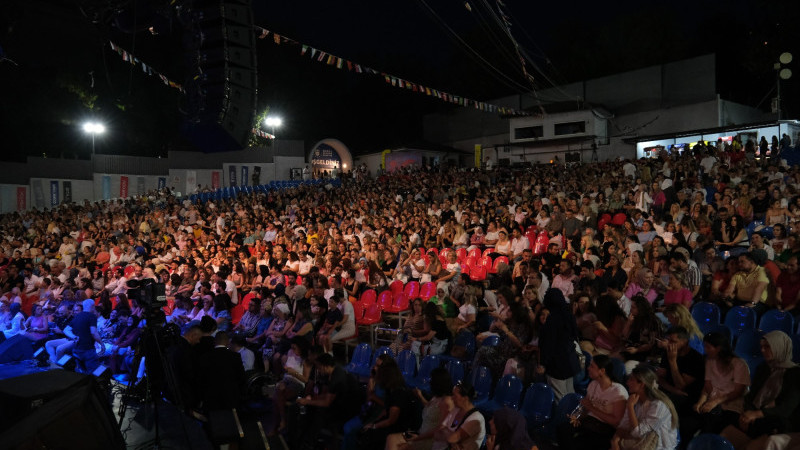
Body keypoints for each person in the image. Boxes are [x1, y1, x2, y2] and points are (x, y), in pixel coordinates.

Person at [721, 331, 800, 450]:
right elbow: (752, 395)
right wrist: (746, 414)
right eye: (762, 347)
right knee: (723, 422)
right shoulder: (763, 368)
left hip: (779, 421)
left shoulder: (796, 374)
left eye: (767, 347)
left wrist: (756, 414)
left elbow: (786, 408)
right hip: (758, 417)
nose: (762, 350)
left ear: (779, 347)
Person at [557, 354, 628, 450]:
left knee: (580, 443)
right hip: (589, 422)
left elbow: (616, 422)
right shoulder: (593, 384)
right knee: (563, 429)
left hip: (605, 429)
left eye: (592, 366)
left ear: (602, 371)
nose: (588, 368)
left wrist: (591, 408)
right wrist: (578, 417)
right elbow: (586, 408)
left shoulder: (618, 391)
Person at [611, 366, 679, 450]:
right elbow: (624, 424)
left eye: (631, 379)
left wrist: (630, 407)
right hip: (639, 441)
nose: (627, 382)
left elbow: (638, 433)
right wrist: (615, 440)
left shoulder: (658, 406)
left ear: (642, 384)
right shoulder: (635, 400)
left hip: (658, 446)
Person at [386, 367, 453, 450]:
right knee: (391, 438)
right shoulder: (437, 397)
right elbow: (430, 408)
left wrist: (418, 437)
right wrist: (420, 395)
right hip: (421, 433)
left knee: (397, 445)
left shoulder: (447, 402)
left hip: (430, 440)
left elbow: (439, 429)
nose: (430, 382)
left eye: (432, 380)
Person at [538, 288, 582, 400]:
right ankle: (573, 416)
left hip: (556, 364)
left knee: (560, 397)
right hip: (569, 360)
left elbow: (548, 344)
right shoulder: (568, 315)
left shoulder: (552, 320)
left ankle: (564, 417)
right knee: (570, 393)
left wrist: (543, 363)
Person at [71, 299, 103, 374]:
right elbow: (93, 332)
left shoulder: (77, 316)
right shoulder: (92, 316)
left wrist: (74, 337)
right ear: (92, 306)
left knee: (82, 372)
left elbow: (66, 329)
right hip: (87, 350)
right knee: (94, 373)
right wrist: (101, 344)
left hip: (76, 349)